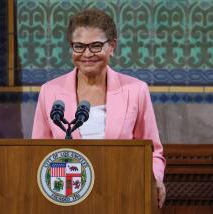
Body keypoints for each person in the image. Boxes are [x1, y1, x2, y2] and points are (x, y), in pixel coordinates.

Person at [32, 9, 166, 208]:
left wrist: (154, 180)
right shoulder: (50, 92)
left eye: (96, 46)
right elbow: (37, 153)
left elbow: (153, 152)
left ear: (112, 46)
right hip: (67, 199)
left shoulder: (135, 90)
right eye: (79, 46)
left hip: (123, 194)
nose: (87, 54)